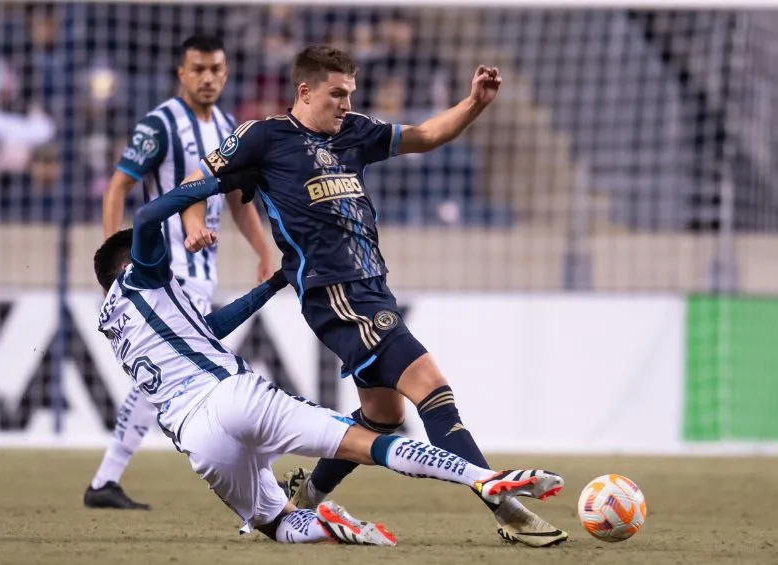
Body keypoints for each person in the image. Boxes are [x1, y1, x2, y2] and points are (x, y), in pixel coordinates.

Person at [180, 45, 568, 547]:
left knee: (384, 417)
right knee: (432, 386)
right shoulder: (264, 137)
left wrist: (474, 104)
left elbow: (426, 136)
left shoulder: (354, 131)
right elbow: (196, 181)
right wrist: (193, 225)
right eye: (336, 94)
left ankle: (300, 502)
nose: (345, 103)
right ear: (305, 91)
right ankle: (504, 505)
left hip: (372, 287)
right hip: (334, 292)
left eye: (350, 94)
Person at [93, 169, 565, 545]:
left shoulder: (117, 322)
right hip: (231, 395)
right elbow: (154, 210)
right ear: (129, 262)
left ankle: (335, 526)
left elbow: (209, 331)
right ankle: (483, 478)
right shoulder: (143, 274)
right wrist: (214, 183)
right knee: (371, 442)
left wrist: (275, 283)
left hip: (196, 439)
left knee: (278, 523)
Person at [84, 34, 271, 509]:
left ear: (225, 74)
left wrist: (262, 249)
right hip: (164, 272)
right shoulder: (161, 123)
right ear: (181, 73)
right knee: (174, 378)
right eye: (198, 69)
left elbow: (235, 201)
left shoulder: (230, 126)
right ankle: (107, 480)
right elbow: (117, 187)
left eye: (216, 69)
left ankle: (107, 482)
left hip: (202, 267)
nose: (207, 77)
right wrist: (115, 262)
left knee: (170, 379)